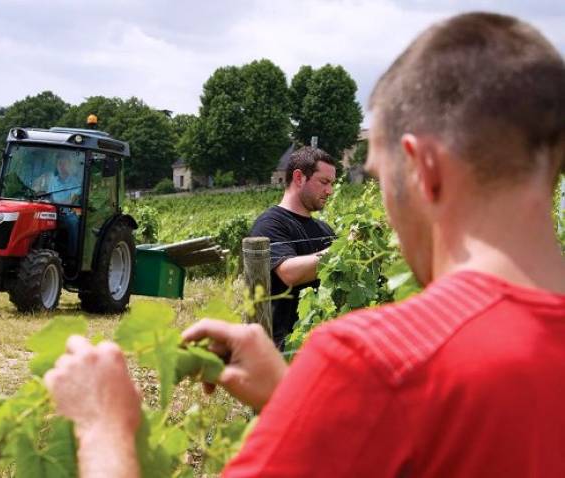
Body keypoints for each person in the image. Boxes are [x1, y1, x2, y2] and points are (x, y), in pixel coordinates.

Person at [44, 12, 565, 477]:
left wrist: (102, 428)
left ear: (425, 167)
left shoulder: (375, 361)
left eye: (381, 177)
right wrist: (296, 403)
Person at [249, 146, 336, 348]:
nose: (330, 191)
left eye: (332, 184)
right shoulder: (270, 224)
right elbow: (289, 273)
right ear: (299, 178)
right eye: (324, 182)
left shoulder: (325, 229)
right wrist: (341, 250)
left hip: (319, 345)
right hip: (283, 349)